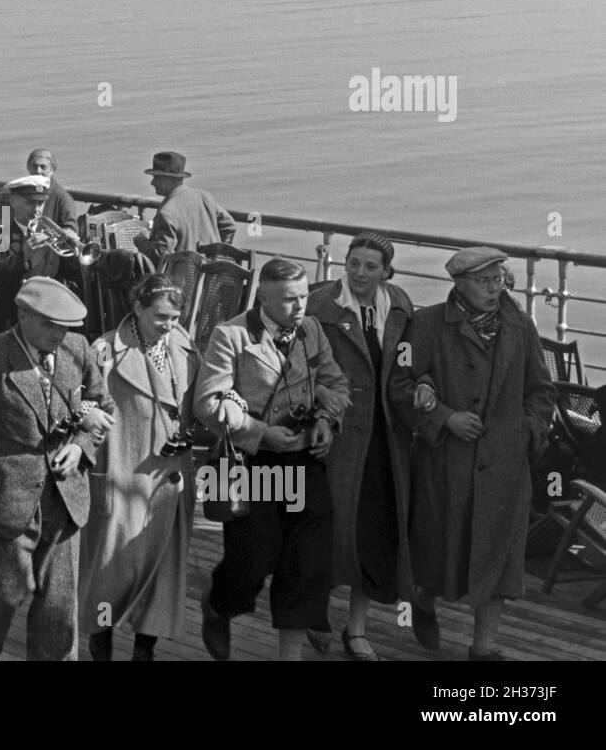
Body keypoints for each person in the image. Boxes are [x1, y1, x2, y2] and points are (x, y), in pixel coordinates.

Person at [390, 246, 555, 661]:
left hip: (504, 467)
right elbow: (401, 385)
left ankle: (485, 646)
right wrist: (444, 418)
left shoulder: (521, 326)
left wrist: (526, 433)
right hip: (447, 465)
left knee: (498, 558)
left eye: (499, 279)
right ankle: (423, 601)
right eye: (484, 281)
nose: (494, 288)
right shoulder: (426, 325)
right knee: (437, 553)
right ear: (459, 285)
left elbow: (542, 391)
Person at [0, 277, 115, 660]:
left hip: (66, 500)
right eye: (48, 324)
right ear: (22, 315)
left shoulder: (78, 350)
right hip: (5, 505)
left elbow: (104, 409)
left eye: (64, 326)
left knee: (58, 611)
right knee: (4, 597)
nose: (58, 334)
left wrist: (81, 448)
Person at [193, 257, 349, 661]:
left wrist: (327, 421)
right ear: (262, 295)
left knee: (307, 561)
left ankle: (289, 656)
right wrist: (261, 433)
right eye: (287, 300)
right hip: (253, 464)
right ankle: (218, 604)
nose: (298, 307)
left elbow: (334, 382)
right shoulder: (232, 335)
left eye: (302, 297)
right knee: (251, 560)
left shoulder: (311, 329)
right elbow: (208, 404)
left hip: (304, 459)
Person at [305, 232, 414, 660]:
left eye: (371, 266)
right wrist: (320, 411)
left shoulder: (400, 307)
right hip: (335, 435)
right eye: (354, 263)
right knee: (326, 528)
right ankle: (314, 610)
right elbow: (302, 368)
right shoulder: (321, 307)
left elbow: (408, 362)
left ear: (387, 271)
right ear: (344, 264)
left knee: (374, 532)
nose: (361, 273)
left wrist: (420, 387)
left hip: (385, 440)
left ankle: (356, 629)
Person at [80, 273, 199, 661]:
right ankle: (101, 645)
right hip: (122, 473)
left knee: (162, 574)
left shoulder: (184, 345)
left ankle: (144, 650)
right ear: (137, 308)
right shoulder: (104, 352)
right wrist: (87, 416)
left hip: (170, 480)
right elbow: (77, 401)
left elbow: (197, 398)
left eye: (175, 317)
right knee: (110, 569)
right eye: (160, 317)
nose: (169, 325)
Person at [0, 174, 75, 335]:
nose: (37, 209)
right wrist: (22, 256)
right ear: (13, 202)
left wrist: (74, 251)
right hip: (11, 318)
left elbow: (69, 274)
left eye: (41, 202)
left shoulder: (53, 234)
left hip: (47, 314)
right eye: (31, 202)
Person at [134, 151, 236, 265]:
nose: (152, 182)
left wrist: (140, 241)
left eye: (156, 177)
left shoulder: (167, 213)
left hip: (181, 279)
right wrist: (217, 254)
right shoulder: (204, 197)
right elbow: (229, 224)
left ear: (170, 179)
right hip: (211, 276)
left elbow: (160, 254)